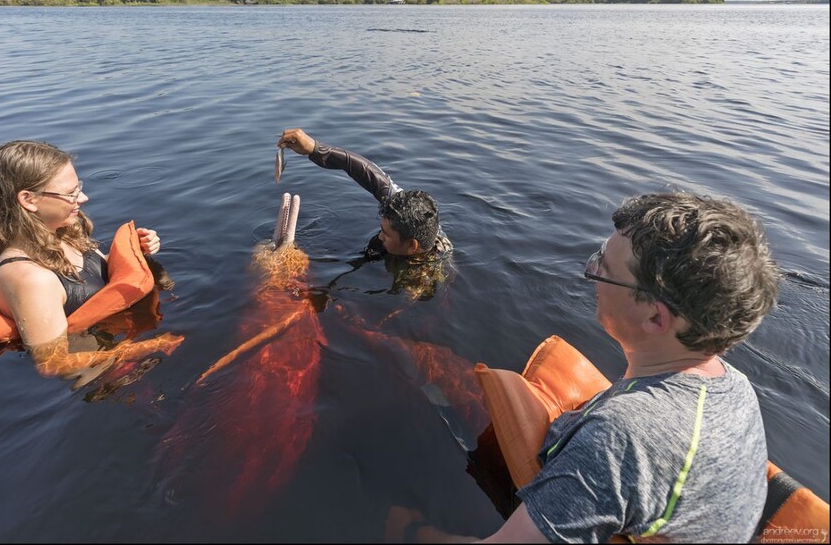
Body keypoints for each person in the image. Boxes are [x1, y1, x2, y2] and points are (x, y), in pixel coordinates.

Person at [390, 192, 781, 543]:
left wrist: (411, 530)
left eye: (604, 269)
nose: (590, 272)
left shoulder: (620, 439)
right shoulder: (736, 386)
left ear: (655, 319)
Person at [0, 140, 163, 381]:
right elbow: (52, 363)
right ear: (29, 200)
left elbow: (88, 280)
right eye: (71, 193)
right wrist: (147, 347)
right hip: (104, 379)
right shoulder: (30, 279)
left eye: (79, 187)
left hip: (120, 348)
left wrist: (137, 252)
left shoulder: (61, 234)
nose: (84, 198)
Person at [277, 128, 452, 301]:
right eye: (382, 229)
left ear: (412, 246)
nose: (381, 236)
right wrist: (315, 148)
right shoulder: (405, 208)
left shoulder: (421, 281)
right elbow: (363, 170)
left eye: (387, 234)